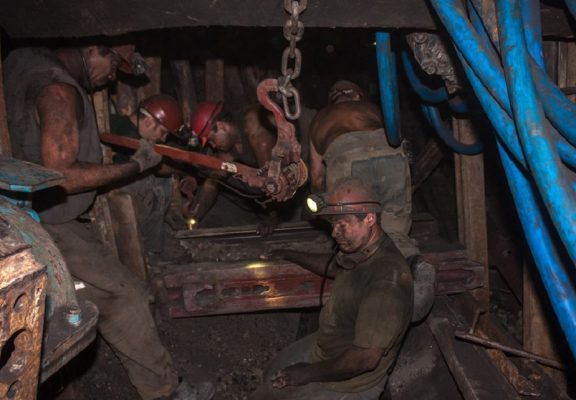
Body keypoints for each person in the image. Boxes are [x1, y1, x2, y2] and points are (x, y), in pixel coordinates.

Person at [4, 44, 214, 400]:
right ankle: (166, 392)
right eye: (114, 61)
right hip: (44, 221)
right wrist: (135, 166)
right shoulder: (59, 90)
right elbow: (62, 175)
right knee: (127, 298)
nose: (113, 74)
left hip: (25, 213)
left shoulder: (19, 60)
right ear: (91, 48)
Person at [250, 177, 414, 400]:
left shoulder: (386, 283)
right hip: (328, 346)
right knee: (271, 376)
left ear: (369, 219)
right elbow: (336, 267)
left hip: (349, 385)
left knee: (281, 385)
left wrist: (307, 373)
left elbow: (364, 359)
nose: (335, 233)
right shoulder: (361, 250)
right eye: (333, 224)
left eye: (343, 224)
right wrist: (289, 254)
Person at [308, 80, 418, 259]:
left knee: (353, 234)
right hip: (391, 153)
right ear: (358, 96)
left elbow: (316, 177)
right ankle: (413, 263)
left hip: (347, 155)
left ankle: (360, 269)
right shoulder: (373, 109)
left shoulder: (321, 118)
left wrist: (325, 210)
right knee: (396, 230)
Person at [187, 101, 278, 232]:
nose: (213, 146)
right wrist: (194, 216)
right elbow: (213, 181)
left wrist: (274, 217)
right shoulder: (229, 143)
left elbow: (274, 180)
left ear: (221, 126)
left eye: (211, 140)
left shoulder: (256, 129)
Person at [110, 94, 184, 255]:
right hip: (113, 192)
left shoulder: (118, 121)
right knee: (156, 188)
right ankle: (148, 248)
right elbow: (159, 168)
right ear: (149, 122)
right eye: (163, 132)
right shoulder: (129, 137)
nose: (163, 138)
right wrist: (186, 169)